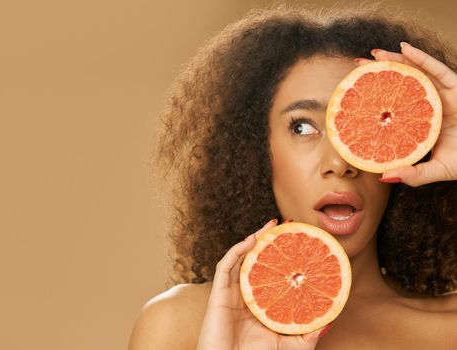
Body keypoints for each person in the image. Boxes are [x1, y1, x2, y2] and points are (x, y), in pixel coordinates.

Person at [129, 4, 457, 349]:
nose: (339, 162)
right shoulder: (182, 323)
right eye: (302, 126)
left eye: (366, 124)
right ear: (256, 151)